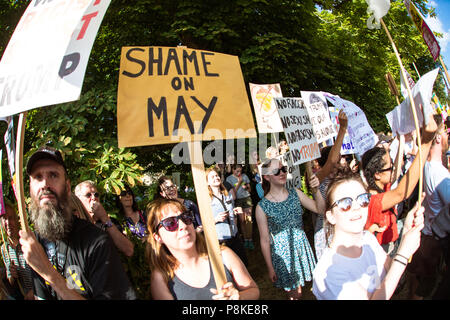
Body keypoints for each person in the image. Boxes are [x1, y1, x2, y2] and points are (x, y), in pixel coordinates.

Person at [19, 146, 137, 300]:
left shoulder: (96, 243)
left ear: (67, 187)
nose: (45, 184)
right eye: (38, 177)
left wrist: (49, 273)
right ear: (30, 189)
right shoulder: (35, 243)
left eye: (53, 175)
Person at [312, 168, 425, 300]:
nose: (356, 207)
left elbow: (390, 269)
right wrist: (403, 255)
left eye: (363, 200)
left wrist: (406, 232)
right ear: (331, 216)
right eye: (345, 203)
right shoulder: (328, 273)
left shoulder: (368, 238)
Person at [146, 198, 259, 300]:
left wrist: (238, 297)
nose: (183, 225)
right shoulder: (161, 277)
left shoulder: (223, 255)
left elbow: (254, 291)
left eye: (186, 217)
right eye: (170, 223)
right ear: (158, 237)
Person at [361, 114, 437, 255]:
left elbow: (399, 179)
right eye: (390, 168)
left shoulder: (383, 188)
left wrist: (401, 139)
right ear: (377, 174)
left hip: (391, 244)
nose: (394, 171)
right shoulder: (373, 201)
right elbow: (402, 192)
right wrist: (426, 143)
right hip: (381, 252)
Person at [255, 157, 325, 300]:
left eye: (283, 169)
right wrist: (270, 266)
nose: (282, 173)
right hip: (284, 255)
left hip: (301, 247)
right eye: (276, 171)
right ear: (267, 177)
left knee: (304, 289)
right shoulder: (261, 207)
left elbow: (320, 209)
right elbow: (265, 240)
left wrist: (316, 190)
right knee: (295, 295)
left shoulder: (295, 193)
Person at [406, 114, 449, 299]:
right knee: (427, 287)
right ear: (438, 138)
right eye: (446, 133)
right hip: (436, 240)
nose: (448, 136)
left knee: (420, 283)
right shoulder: (439, 173)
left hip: (428, 235)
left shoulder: (426, 166)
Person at [312, 109, 348, 260]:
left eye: (340, 158)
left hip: (343, 228)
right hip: (326, 232)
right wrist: (342, 129)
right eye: (337, 158)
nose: (339, 162)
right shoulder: (318, 178)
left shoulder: (342, 177)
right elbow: (331, 161)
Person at [74, 180, 134, 257]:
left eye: (96, 195)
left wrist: (105, 219)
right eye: (88, 195)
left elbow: (129, 250)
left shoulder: (110, 222)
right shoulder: (76, 224)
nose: (93, 198)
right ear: (78, 200)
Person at [205, 168, 248, 266]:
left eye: (217, 175)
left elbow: (232, 213)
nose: (216, 177)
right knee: (229, 268)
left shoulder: (227, 194)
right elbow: (204, 223)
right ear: (207, 182)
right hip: (222, 240)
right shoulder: (207, 199)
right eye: (212, 177)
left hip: (235, 236)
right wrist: (215, 220)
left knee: (242, 265)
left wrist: (237, 211)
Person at [0, 203, 34, 300]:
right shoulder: (4, 249)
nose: (8, 222)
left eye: (11, 218)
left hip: (41, 293)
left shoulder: (28, 240)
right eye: (4, 219)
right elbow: (11, 282)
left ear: (17, 220)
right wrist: (12, 276)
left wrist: (34, 291)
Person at [225, 164, 254, 250]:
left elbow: (250, 189)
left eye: (240, 171)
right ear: (233, 170)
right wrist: (239, 183)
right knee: (242, 221)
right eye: (237, 171)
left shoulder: (244, 176)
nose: (239, 173)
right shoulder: (229, 179)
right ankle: (245, 240)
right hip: (237, 200)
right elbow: (232, 193)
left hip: (246, 198)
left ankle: (250, 239)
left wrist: (247, 188)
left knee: (249, 219)